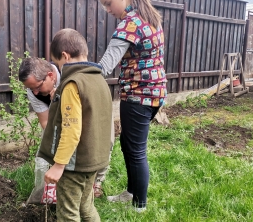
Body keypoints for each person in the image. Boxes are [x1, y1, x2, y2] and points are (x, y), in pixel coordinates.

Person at [98, 0, 167, 213]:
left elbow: (105, 66)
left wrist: (77, 75)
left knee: (136, 151)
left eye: (109, 4)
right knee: (128, 145)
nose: (108, 10)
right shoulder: (149, 17)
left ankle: (140, 207)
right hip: (153, 92)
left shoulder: (130, 22)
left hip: (139, 95)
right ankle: (131, 193)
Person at [37, 28, 113, 221]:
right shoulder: (98, 78)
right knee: (85, 206)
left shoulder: (72, 83)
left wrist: (58, 166)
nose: (58, 67)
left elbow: (71, 130)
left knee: (68, 213)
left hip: (74, 164)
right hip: (94, 160)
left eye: (58, 63)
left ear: (65, 56)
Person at [19, 57, 113, 198]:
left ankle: (96, 182)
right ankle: (46, 193)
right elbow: (46, 123)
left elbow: (76, 123)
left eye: (37, 87)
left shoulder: (69, 76)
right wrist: (56, 155)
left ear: (50, 76)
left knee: (102, 143)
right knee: (45, 157)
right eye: (31, 89)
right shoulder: (33, 92)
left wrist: (61, 97)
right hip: (64, 122)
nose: (35, 92)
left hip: (92, 112)